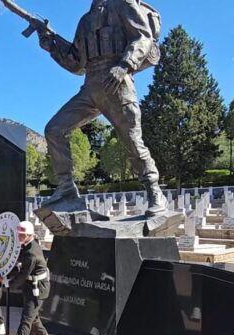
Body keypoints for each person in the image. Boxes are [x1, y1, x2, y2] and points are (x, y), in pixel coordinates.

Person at [36, 0, 167, 216]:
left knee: (133, 141)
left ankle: (154, 192)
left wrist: (125, 65)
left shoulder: (122, 4)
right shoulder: (85, 21)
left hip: (118, 82)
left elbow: (143, 37)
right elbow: (76, 63)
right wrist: (51, 46)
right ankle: (67, 189)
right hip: (90, 86)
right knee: (54, 130)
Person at [0, 221, 55, 335]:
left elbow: (23, 274)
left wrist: (9, 283)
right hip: (30, 287)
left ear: (29, 235)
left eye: (21, 234)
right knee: (33, 317)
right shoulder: (26, 246)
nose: (19, 236)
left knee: (26, 320)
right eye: (18, 233)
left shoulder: (31, 252)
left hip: (38, 289)